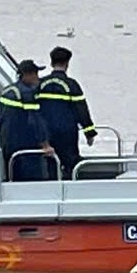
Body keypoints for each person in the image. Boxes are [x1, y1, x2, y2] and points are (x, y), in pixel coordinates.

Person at [39, 46, 96, 179]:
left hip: (46, 132)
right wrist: (89, 133)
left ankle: (53, 185)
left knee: (50, 162)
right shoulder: (71, 85)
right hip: (67, 132)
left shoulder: (41, 84)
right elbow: (81, 110)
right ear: (67, 64)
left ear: (51, 63)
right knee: (70, 163)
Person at [0, 59, 55, 181]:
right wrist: (45, 144)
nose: (37, 79)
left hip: (8, 144)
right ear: (26, 75)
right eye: (35, 74)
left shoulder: (8, 90)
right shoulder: (26, 94)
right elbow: (35, 120)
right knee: (31, 180)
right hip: (25, 146)